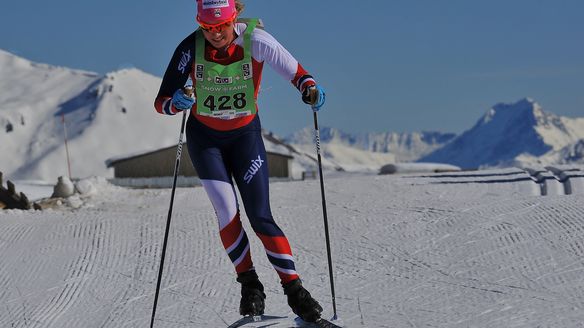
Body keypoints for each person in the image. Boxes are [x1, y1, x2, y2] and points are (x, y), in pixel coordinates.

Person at [154, 0, 326, 322]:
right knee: (226, 210)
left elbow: (299, 74)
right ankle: (250, 286)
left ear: (234, 18)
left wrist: (310, 89)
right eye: (207, 27)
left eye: (221, 26)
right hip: (206, 140)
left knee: (260, 216)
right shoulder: (189, 48)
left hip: (245, 137)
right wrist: (176, 103)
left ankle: (295, 291)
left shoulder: (258, 41)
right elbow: (161, 102)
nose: (215, 34)